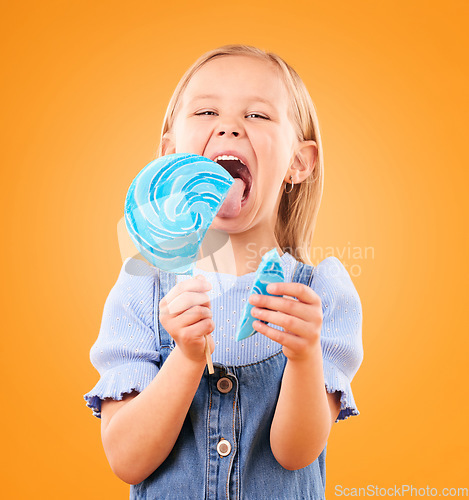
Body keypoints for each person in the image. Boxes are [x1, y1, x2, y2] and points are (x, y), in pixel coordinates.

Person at [84, 44, 364, 499]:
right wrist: (188, 357)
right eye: (207, 110)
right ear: (171, 155)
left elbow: (295, 454)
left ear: (299, 162)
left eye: (257, 116)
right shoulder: (143, 285)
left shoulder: (318, 296)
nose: (230, 125)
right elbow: (127, 459)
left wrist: (305, 354)